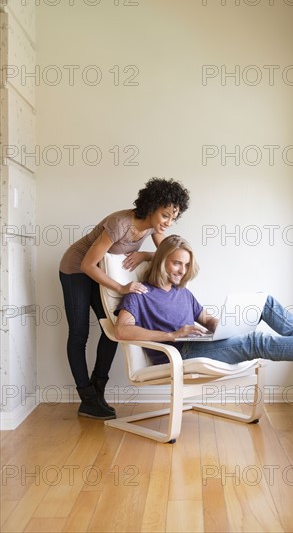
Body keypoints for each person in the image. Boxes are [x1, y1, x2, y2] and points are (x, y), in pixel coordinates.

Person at [114, 235, 293, 366]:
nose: (181, 270)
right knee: (257, 341)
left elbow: (206, 319)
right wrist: (172, 335)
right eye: (176, 263)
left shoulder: (184, 293)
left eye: (186, 264)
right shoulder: (140, 293)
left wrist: (222, 325)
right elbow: (122, 330)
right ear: (161, 261)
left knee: (263, 300)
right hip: (179, 353)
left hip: (198, 343)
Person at [59, 179, 190, 420]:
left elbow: (167, 257)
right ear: (151, 206)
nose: (168, 223)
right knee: (79, 334)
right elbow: (87, 264)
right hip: (76, 270)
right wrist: (121, 286)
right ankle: (87, 398)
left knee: (112, 328)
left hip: (100, 272)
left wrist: (143, 254)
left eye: (173, 218)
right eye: (165, 215)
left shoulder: (154, 226)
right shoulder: (120, 223)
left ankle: (98, 390)